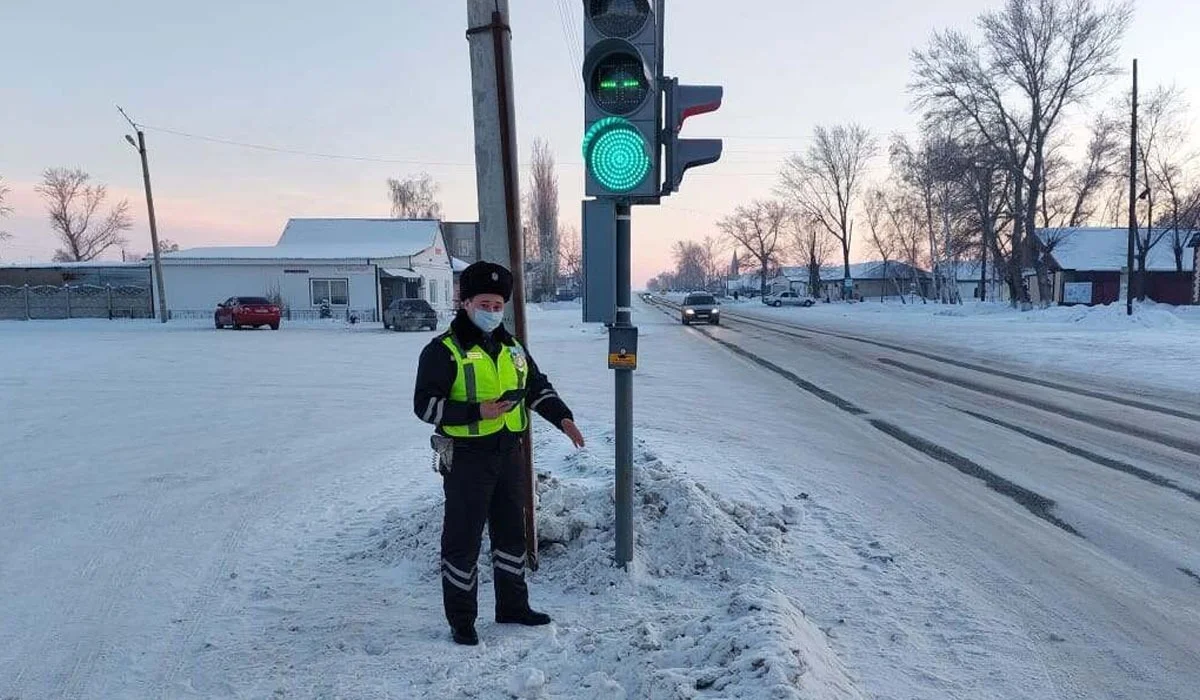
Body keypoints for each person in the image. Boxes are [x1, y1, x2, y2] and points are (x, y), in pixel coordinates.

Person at [413, 261, 586, 646]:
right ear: (466, 302)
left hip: (509, 454)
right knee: (463, 540)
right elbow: (424, 406)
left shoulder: (513, 347)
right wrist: (478, 411)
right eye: (485, 304)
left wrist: (564, 419)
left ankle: (512, 606)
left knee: (511, 535)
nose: (492, 312)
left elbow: (536, 387)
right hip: (467, 458)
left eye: (497, 305)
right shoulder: (443, 350)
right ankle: (462, 620)